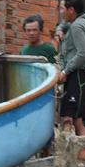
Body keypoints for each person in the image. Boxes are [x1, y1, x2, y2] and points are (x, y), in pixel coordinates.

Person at [54, 0, 85, 136]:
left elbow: (83, 53)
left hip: (81, 74)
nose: (61, 12)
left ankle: (83, 155)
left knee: (70, 118)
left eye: (62, 9)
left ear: (71, 9)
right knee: (78, 120)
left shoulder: (76, 27)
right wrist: (59, 31)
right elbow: (65, 24)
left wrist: (65, 71)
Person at [21, 14, 58, 157]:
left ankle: (47, 156)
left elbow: (58, 68)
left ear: (40, 31)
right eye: (28, 30)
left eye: (34, 30)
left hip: (44, 95)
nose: (31, 33)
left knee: (45, 125)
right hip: (28, 93)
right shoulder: (24, 50)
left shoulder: (48, 50)